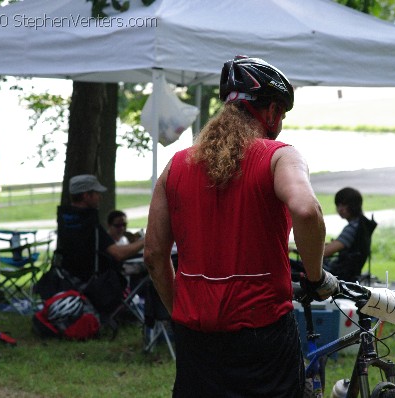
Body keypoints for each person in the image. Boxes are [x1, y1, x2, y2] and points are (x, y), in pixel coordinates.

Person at [144, 56, 339, 397]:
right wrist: (315, 277)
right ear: (273, 112)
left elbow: (154, 255)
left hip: (196, 333)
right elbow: (307, 211)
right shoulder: (279, 156)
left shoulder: (175, 166)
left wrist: (181, 310)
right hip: (262, 331)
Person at [55, 175, 145, 314]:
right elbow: (119, 254)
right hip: (96, 284)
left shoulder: (65, 218)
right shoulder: (89, 223)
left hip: (69, 279)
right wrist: (146, 240)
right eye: (96, 193)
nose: (100, 197)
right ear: (86, 195)